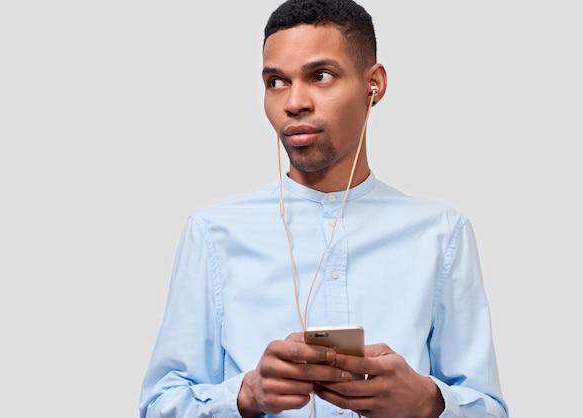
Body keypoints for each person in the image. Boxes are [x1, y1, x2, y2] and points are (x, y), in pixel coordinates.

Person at [139, 0, 508, 417]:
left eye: (321, 76)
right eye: (276, 81)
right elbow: (158, 406)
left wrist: (427, 403)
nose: (294, 102)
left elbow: (490, 409)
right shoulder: (211, 232)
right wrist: (245, 395)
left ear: (374, 85)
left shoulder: (441, 233)